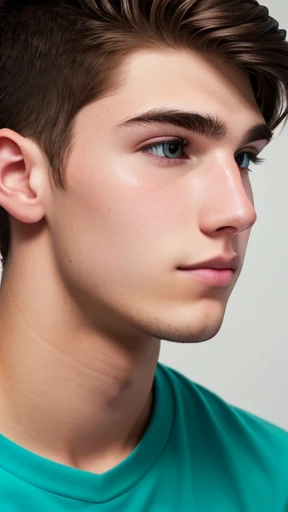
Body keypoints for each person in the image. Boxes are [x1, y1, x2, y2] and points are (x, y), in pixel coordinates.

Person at [0, 0, 287, 509]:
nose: (240, 211)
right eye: (170, 148)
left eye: (243, 158)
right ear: (19, 177)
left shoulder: (275, 479)